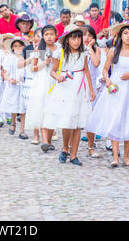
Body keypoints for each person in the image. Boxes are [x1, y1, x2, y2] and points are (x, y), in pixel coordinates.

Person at [86, 23, 129, 167]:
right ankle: (115, 157)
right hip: (116, 89)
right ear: (120, 35)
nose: (128, 36)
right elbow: (105, 70)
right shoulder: (113, 51)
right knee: (116, 120)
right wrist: (107, 80)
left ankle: (126, 156)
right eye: (125, 33)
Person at [43, 26, 95, 166]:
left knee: (78, 122)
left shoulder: (83, 53)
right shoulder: (60, 53)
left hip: (80, 86)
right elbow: (52, 71)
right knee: (67, 121)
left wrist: (91, 89)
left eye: (78, 37)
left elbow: (87, 71)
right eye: (73, 38)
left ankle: (74, 155)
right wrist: (58, 77)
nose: (76, 41)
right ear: (67, 39)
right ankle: (65, 147)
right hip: (66, 86)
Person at [24, 25, 61, 149]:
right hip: (42, 82)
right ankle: (45, 141)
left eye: (51, 34)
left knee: (53, 111)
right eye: (46, 34)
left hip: (55, 82)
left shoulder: (60, 49)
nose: (49, 37)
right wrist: (44, 63)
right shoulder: (38, 51)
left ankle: (49, 140)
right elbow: (32, 68)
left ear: (56, 35)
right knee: (43, 110)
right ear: (43, 37)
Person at [0, 37, 30, 139]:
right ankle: (13, 122)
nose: (18, 48)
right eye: (16, 46)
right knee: (13, 105)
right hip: (12, 85)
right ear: (12, 47)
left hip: (23, 85)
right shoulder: (9, 58)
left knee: (23, 108)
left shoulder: (25, 58)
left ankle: (22, 131)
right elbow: (4, 73)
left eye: (20, 46)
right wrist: (10, 79)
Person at [81, 25, 103, 157]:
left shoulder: (96, 49)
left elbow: (96, 63)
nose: (87, 38)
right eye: (85, 35)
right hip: (79, 84)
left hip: (92, 86)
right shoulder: (76, 50)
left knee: (91, 116)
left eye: (90, 35)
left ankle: (91, 145)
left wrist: (90, 48)